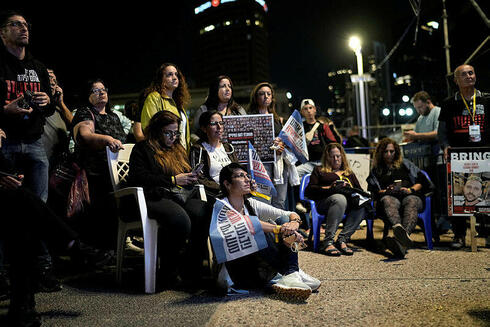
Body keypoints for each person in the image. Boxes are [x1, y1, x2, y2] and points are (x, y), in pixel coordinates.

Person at [0, 10, 61, 295]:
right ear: (3, 33)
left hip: (34, 143)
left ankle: (42, 269)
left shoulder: (37, 67)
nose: (23, 28)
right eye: (16, 24)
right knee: (4, 211)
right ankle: (2, 274)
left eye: (26, 24)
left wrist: (48, 100)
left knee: (40, 208)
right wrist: (5, 110)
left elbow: (48, 108)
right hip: (5, 144)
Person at [127, 111, 210, 287]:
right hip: (151, 196)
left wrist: (190, 177)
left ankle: (191, 269)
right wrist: (173, 179)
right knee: (180, 219)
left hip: (176, 195)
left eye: (176, 132)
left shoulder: (176, 149)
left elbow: (179, 177)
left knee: (206, 211)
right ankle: (168, 271)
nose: (173, 137)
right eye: (168, 132)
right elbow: (140, 178)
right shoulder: (143, 149)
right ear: (157, 131)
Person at [216, 162, 320, 300]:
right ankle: (289, 273)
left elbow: (289, 213)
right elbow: (247, 224)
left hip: (264, 264)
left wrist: (293, 223)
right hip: (240, 272)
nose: (247, 179)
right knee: (259, 229)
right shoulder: (220, 207)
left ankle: (291, 273)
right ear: (227, 184)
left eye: (247, 176)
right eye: (240, 176)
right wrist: (281, 229)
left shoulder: (250, 203)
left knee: (283, 219)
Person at [438, 64, 489, 249]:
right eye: (464, 74)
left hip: (485, 155)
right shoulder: (449, 103)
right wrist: (445, 147)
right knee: (458, 195)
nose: (469, 76)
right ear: (456, 80)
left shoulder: (486, 100)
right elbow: (442, 132)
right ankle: (459, 235)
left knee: (486, 193)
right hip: (459, 158)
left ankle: (487, 235)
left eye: (471, 73)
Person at [71, 79, 126, 248]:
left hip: (116, 173)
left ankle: (116, 247)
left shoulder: (114, 117)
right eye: (95, 91)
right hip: (96, 174)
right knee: (99, 216)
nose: (101, 93)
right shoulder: (85, 113)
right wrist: (107, 139)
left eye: (103, 89)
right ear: (87, 96)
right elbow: (85, 134)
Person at [366, 138, 433, 258]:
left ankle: (400, 241)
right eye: (386, 152)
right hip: (389, 198)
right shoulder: (377, 170)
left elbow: (422, 181)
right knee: (388, 200)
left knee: (411, 200)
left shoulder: (405, 164)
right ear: (381, 153)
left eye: (391, 151)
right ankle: (401, 237)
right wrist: (387, 190)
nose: (389, 154)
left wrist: (410, 189)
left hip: (409, 194)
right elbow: (374, 191)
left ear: (396, 152)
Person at [305, 143, 368, 256]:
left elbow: (359, 190)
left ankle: (342, 239)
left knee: (362, 204)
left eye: (338, 156)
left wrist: (349, 189)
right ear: (327, 157)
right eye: (332, 156)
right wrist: (330, 187)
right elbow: (309, 191)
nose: (336, 159)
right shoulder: (320, 170)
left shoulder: (349, 173)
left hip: (347, 204)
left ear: (342, 156)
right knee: (339, 198)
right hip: (325, 203)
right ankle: (328, 241)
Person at [248, 82, 292, 210]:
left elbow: (285, 141)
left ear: (272, 98)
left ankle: (280, 229)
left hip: (279, 163)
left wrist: (282, 145)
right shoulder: (250, 118)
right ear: (256, 98)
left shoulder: (278, 119)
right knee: (263, 201)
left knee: (280, 201)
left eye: (268, 94)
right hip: (261, 164)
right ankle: (266, 230)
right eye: (261, 94)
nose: (265, 97)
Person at [140, 63, 191, 151]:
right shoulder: (154, 98)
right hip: (164, 153)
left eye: (176, 74)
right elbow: (149, 128)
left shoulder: (178, 103)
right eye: (169, 75)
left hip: (181, 154)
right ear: (161, 79)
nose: (174, 77)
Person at [190, 110, 238, 200]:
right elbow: (198, 178)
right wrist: (223, 188)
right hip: (216, 195)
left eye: (221, 123)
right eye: (213, 124)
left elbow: (238, 170)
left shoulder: (228, 148)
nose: (219, 127)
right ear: (204, 128)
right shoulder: (198, 149)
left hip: (236, 192)